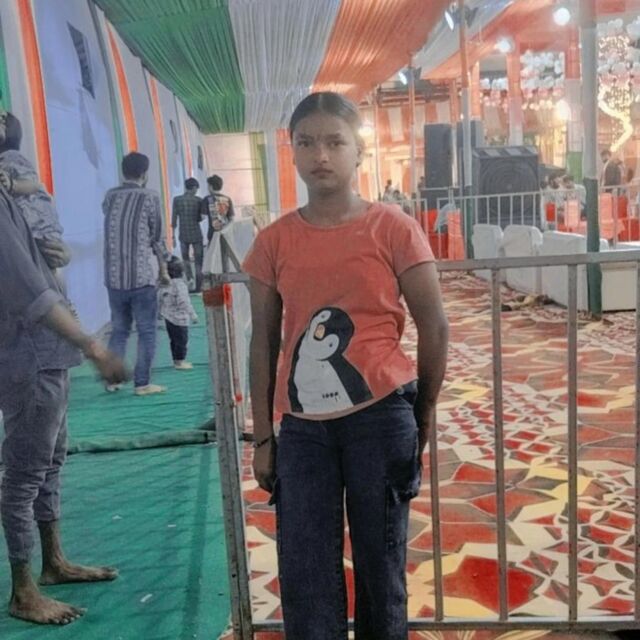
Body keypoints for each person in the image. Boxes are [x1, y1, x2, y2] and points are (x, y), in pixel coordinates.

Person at [243, 91, 449, 638]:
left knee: (381, 567)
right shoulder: (273, 242)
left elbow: (434, 324)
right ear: (291, 151)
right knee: (305, 571)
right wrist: (263, 436)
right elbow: (263, 343)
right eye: (306, 142)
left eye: (335, 142)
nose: (321, 155)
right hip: (303, 430)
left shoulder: (393, 228)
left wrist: (424, 410)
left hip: (380, 417)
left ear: (359, 150)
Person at [0, 181, 127, 625]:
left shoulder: (10, 194)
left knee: (49, 462)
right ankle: (23, 591)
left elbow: (38, 269)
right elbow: (31, 295)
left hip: (45, 353)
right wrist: (93, 347)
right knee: (24, 475)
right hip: (29, 354)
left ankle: (52, 562)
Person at [102, 151, 170, 396]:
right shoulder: (150, 197)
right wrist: (164, 269)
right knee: (147, 331)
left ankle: (113, 380)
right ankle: (142, 383)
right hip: (141, 277)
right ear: (145, 173)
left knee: (119, 330)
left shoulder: (110, 196)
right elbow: (157, 238)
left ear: (123, 171)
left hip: (113, 278)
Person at [158, 257, 198, 370]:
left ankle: (176, 360)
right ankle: (180, 361)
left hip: (168, 317)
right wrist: (193, 314)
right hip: (180, 319)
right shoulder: (180, 285)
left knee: (173, 340)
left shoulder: (164, 284)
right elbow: (183, 301)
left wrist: (159, 312)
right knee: (182, 341)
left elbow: (159, 298)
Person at [171, 177, 204, 292]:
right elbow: (200, 218)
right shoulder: (199, 201)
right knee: (198, 261)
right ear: (193, 188)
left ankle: (190, 280)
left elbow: (174, 219)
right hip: (196, 234)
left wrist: (173, 237)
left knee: (185, 260)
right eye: (196, 188)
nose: (196, 191)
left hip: (183, 235)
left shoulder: (177, 200)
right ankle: (199, 286)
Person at [200, 174, 235, 244]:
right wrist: (224, 230)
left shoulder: (207, 199)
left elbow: (203, 216)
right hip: (226, 234)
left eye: (208, 186)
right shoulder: (228, 199)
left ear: (211, 186)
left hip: (213, 234)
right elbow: (231, 219)